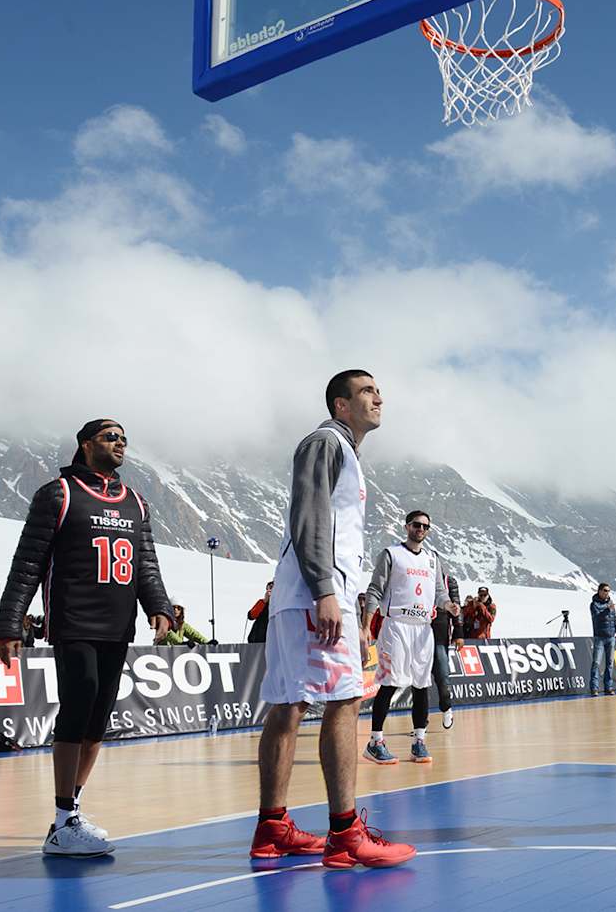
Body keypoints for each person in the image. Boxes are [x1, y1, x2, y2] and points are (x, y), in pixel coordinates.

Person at [0, 418, 177, 858]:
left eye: (124, 439)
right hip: (74, 620)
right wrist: (9, 622)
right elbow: (27, 564)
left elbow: (146, 561)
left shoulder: (135, 501)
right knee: (81, 701)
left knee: (98, 717)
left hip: (118, 625)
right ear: (86, 444)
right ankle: (61, 819)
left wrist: (160, 605)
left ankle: (70, 812)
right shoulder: (58, 494)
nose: (120, 444)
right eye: (111, 437)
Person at [252, 370, 414, 868]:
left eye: (378, 390)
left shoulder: (342, 450)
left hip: (300, 592)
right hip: (317, 592)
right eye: (367, 391)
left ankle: (272, 828)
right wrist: (326, 589)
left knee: (288, 704)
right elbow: (309, 516)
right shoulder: (326, 442)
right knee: (344, 701)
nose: (378, 397)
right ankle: (345, 834)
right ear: (341, 405)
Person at [364, 509, 452, 765]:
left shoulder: (433, 559)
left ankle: (419, 742)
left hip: (423, 628)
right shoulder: (392, 554)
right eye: (416, 525)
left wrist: (449, 606)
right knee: (390, 683)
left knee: (422, 685)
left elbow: (439, 593)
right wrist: (365, 627)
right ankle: (375, 742)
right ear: (406, 527)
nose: (421, 529)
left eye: (425, 526)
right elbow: (374, 590)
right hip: (397, 625)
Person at [431, 574, 462, 730]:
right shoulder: (417, 575)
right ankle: (420, 724)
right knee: (418, 681)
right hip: (419, 632)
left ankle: (447, 707)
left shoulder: (449, 580)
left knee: (442, 675)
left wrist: (459, 633)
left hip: (440, 634)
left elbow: (457, 607)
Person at [587, 583, 616, 696]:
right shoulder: (594, 604)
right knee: (596, 662)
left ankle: (608, 687)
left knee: (610, 663)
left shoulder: (610, 603)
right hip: (600, 637)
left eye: (608, 591)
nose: (607, 593)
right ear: (600, 591)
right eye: (605, 590)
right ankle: (594, 688)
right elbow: (597, 616)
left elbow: (614, 618)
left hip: (611, 637)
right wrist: (607, 608)